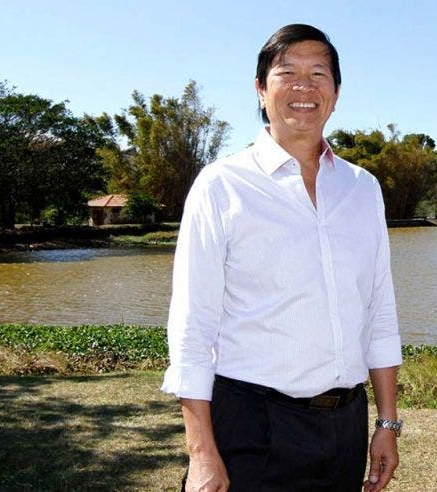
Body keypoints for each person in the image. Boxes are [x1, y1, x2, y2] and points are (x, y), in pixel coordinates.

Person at [161, 24, 403, 492]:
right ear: (260, 88)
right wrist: (202, 452)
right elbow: (192, 326)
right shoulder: (222, 185)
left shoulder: (361, 188)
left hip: (345, 426)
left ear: (335, 91)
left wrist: (386, 422)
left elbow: (379, 310)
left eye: (319, 74)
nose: (303, 87)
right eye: (286, 72)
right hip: (253, 425)